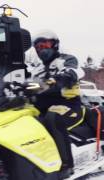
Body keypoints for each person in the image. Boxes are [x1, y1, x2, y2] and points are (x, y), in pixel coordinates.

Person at [29, 30, 85, 178]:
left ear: (55, 45)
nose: (42, 49)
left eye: (45, 45)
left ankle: (66, 165)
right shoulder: (37, 69)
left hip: (69, 106)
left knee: (53, 117)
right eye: (39, 47)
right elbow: (31, 85)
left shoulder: (66, 60)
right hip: (43, 108)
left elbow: (74, 72)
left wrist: (58, 79)